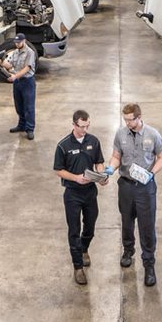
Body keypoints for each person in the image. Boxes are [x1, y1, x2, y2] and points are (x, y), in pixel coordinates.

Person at [104, 103, 162, 287]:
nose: (127, 123)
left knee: (147, 225)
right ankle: (128, 250)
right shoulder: (121, 134)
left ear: (139, 117)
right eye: (125, 119)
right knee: (126, 221)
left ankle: (149, 264)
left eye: (130, 120)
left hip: (145, 187)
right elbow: (116, 156)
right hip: (126, 185)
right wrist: (111, 167)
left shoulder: (152, 134)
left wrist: (151, 173)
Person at [53, 110, 108, 285]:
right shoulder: (63, 145)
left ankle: (84, 249)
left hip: (90, 192)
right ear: (74, 125)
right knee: (74, 230)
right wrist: (76, 178)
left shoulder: (93, 141)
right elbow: (58, 170)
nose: (85, 130)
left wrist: (101, 175)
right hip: (72, 194)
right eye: (82, 126)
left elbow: (99, 161)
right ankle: (78, 267)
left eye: (87, 126)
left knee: (90, 226)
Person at [2, 33, 36, 140]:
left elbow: (27, 68)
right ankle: (21, 125)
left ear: (24, 41)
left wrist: (15, 76)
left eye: (19, 42)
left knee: (29, 107)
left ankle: (30, 129)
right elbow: (10, 65)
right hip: (18, 82)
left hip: (27, 82)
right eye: (16, 42)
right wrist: (2, 62)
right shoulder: (15, 52)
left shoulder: (30, 52)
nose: (17, 44)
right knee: (19, 105)